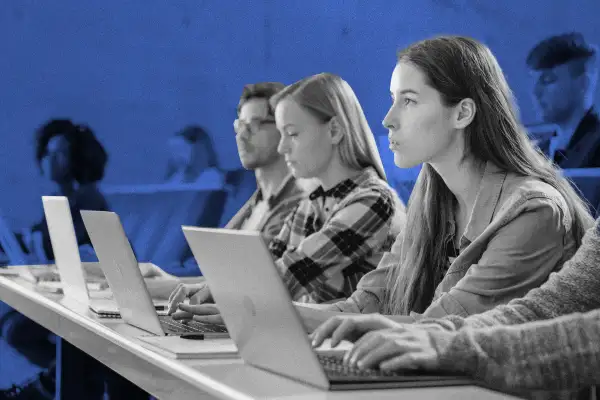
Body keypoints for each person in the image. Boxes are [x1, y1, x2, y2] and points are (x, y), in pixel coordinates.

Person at [301, 35, 594, 334]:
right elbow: (363, 305)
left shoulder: (534, 212)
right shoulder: (431, 200)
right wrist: (278, 313)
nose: (388, 119)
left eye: (409, 101)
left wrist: (296, 319)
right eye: (393, 100)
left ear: (463, 113)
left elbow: (446, 331)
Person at [169, 73, 405, 320]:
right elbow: (268, 265)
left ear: (334, 130)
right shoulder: (313, 202)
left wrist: (224, 298)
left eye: (292, 134)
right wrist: (210, 290)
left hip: (352, 348)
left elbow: (290, 275)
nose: (282, 148)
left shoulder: (374, 201)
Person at [307, 218, 600, 400]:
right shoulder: (427, 209)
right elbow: (546, 308)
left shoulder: (532, 210)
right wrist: (429, 334)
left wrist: (452, 346)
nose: (387, 121)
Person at [0, 119, 148, 399]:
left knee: (16, 329)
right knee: (11, 325)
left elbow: (86, 254)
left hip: (92, 299)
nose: (49, 160)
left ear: (76, 159)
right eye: (47, 153)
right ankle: (57, 379)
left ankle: (54, 382)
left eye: (59, 154)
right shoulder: (63, 198)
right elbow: (46, 242)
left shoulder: (86, 200)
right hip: (70, 294)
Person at [167, 82, 306, 303]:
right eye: (239, 125)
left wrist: (158, 285)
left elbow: (245, 279)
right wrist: (164, 277)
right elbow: (219, 271)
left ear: (285, 127)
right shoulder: (254, 201)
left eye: (255, 124)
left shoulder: (301, 204)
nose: (241, 136)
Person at [528, 32, 600, 168]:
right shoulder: (536, 153)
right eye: (535, 82)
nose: (536, 92)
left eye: (548, 80)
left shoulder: (596, 146)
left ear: (583, 83)